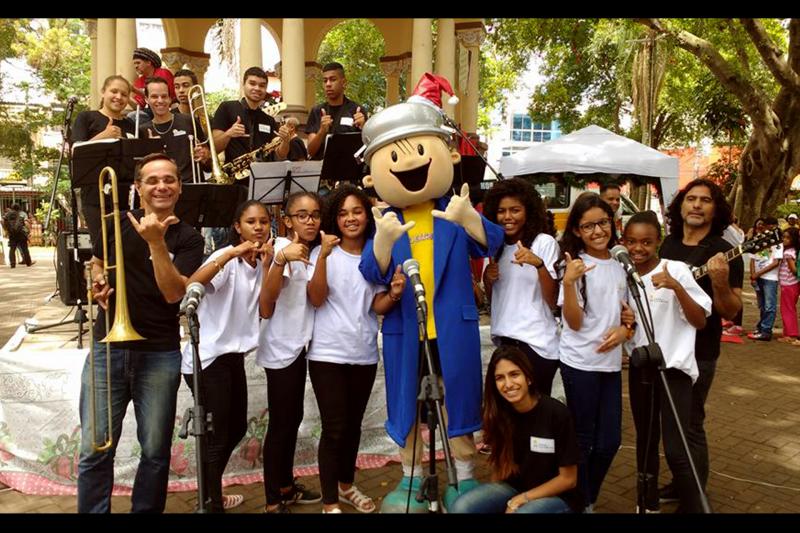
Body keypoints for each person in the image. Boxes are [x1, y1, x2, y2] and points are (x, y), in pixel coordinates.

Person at [358, 75, 504, 512]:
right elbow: (371, 270)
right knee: (407, 404)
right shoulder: (387, 220)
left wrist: (470, 220)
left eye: (422, 150)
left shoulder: (453, 212)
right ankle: (411, 477)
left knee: (459, 401)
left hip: (452, 330)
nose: (411, 163)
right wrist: (382, 243)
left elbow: (492, 243)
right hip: (408, 329)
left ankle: (463, 477)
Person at [76, 153, 204, 513]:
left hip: (159, 353)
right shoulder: (115, 223)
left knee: (155, 452)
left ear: (179, 188)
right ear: (137, 187)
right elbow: (97, 260)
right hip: (107, 349)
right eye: (152, 180)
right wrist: (97, 280)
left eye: (169, 179)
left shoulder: (190, 238)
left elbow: (174, 293)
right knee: (94, 449)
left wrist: (156, 242)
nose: (161, 186)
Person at [307, 184, 405, 514]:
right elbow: (316, 297)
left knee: (353, 426)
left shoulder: (377, 253)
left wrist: (392, 293)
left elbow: (375, 307)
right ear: (335, 218)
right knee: (334, 428)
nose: (351, 218)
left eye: (357, 211)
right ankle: (329, 501)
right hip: (327, 354)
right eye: (343, 213)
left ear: (368, 214)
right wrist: (321, 255)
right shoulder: (325, 251)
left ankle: (347, 485)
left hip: (363, 352)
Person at [180, 200, 273, 512]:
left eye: (263, 221)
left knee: (235, 429)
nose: (258, 227)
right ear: (237, 227)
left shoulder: (263, 262)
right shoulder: (225, 257)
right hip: (207, 358)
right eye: (250, 222)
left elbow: (265, 307)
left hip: (231, 356)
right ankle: (210, 502)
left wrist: (273, 263)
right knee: (217, 435)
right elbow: (195, 282)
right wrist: (230, 253)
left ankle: (210, 493)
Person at [657, 178, 743, 507]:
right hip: (665, 345)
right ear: (680, 206)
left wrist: (720, 283)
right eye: (690, 198)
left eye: (704, 200)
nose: (696, 205)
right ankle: (681, 481)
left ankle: (695, 493)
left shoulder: (724, 251)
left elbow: (732, 311)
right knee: (670, 424)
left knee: (690, 423)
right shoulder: (667, 245)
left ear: (714, 209)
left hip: (700, 351)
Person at [622, 211, 712, 513]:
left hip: (674, 371)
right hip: (641, 369)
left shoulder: (675, 269)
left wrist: (676, 287)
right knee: (645, 444)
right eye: (632, 241)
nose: (638, 248)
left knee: (676, 449)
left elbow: (699, 321)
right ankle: (646, 505)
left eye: (646, 242)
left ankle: (694, 506)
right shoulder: (624, 276)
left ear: (658, 241)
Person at [557, 192, 630, 513]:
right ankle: (581, 503)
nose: (598, 231)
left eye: (603, 223)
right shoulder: (574, 266)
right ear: (576, 230)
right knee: (584, 441)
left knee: (610, 441)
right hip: (580, 363)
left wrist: (626, 331)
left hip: (611, 365)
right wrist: (569, 284)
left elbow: (627, 315)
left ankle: (585, 496)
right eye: (588, 226)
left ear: (612, 224)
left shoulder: (619, 265)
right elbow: (573, 322)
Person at [449, 345, 583, 514]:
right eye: (500, 378)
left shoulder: (556, 414)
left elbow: (568, 480)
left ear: (528, 377)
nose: (508, 384)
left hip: (559, 497)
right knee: (461, 507)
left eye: (514, 374)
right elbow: (500, 468)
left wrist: (523, 499)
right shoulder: (497, 414)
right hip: (514, 489)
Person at [256, 191, 323, 513]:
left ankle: (285, 484)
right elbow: (266, 304)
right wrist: (280, 260)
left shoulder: (312, 249)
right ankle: (272, 499)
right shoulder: (284, 249)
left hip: (299, 344)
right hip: (282, 346)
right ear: (287, 220)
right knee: (282, 423)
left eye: (315, 215)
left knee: (292, 417)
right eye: (302, 215)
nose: (310, 221)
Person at [482, 178, 560, 396]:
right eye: (501, 211)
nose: (507, 217)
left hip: (536, 345)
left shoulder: (543, 242)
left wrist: (539, 265)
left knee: (535, 416)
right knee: (507, 419)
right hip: (505, 342)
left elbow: (553, 300)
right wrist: (488, 280)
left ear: (528, 211)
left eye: (515, 210)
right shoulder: (495, 248)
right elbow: (496, 299)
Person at [70, 75, 137, 247]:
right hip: (95, 195)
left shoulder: (131, 125)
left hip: (126, 195)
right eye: (114, 91)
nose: (119, 97)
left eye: (124, 94)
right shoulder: (86, 118)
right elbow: (74, 151)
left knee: (126, 247)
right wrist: (103, 137)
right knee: (103, 247)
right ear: (103, 92)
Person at [211, 66, 290, 179]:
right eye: (252, 83)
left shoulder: (269, 120)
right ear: (244, 85)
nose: (257, 88)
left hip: (261, 179)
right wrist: (229, 133)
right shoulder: (227, 108)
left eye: (262, 85)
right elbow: (214, 148)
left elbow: (280, 154)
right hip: (233, 181)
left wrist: (285, 141)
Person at [139, 77, 210, 183]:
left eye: (164, 96)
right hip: (163, 190)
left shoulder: (188, 120)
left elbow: (208, 164)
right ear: (146, 99)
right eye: (154, 96)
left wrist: (205, 156)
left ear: (170, 98)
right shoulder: (143, 130)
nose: (160, 100)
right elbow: (143, 172)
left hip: (192, 188)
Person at [305, 62, 367, 160]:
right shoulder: (317, 111)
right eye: (325, 81)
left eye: (333, 80)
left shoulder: (357, 110)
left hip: (348, 170)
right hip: (321, 170)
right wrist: (321, 131)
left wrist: (364, 127)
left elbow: (368, 147)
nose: (328, 84)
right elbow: (310, 151)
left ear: (344, 83)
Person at [748, 216, 782, 341]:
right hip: (758, 277)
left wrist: (758, 273)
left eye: (766, 225)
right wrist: (753, 275)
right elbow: (752, 259)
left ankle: (766, 330)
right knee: (762, 305)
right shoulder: (758, 240)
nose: (763, 227)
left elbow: (775, 262)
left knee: (769, 305)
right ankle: (761, 327)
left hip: (770, 277)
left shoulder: (777, 242)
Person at [131, 48, 175, 114]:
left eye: (138, 63)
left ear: (149, 63)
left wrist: (134, 89)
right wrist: (126, 94)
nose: (136, 66)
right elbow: (138, 106)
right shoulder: (139, 81)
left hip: (171, 107)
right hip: (153, 111)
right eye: (134, 64)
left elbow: (161, 95)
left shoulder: (163, 73)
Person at [777, 226, 799, 345]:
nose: (784, 240)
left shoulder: (788, 253)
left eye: (787, 238)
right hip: (793, 284)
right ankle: (789, 332)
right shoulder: (794, 251)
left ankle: (791, 334)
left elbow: (794, 270)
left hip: (788, 284)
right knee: (790, 308)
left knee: (787, 309)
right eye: (783, 237)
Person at [3, 203, 34, 267]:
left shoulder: (7, 215)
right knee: (24, 248)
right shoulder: (21, 215)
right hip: (21, 233)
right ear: (19, 208)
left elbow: (3, 223)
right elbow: (25, 223)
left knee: (12, 249)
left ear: (11, 208)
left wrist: (6, 230)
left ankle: (12, 264)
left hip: (12, 234)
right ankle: (28, 263)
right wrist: (29, 231)